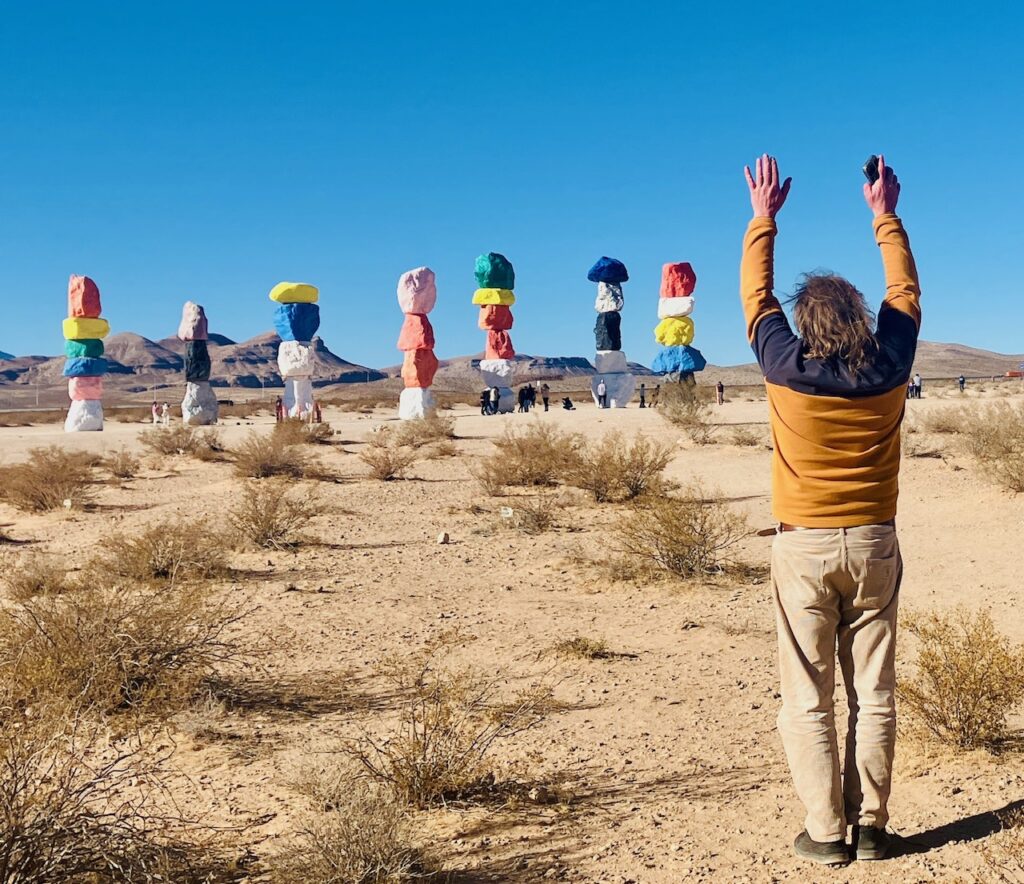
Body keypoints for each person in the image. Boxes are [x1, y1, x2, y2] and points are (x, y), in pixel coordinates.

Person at [740, 154, 918, 866]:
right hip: (875, 545)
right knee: (873, 692)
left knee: (807, 697)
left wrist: (763, 218)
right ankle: (871, 825)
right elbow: (903, 292)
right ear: (862, 320)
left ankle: (825, 830)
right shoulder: (890, 366)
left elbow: (756, 301)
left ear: (804, 324)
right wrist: (884, 212)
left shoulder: (785, 367)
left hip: (803, 548)